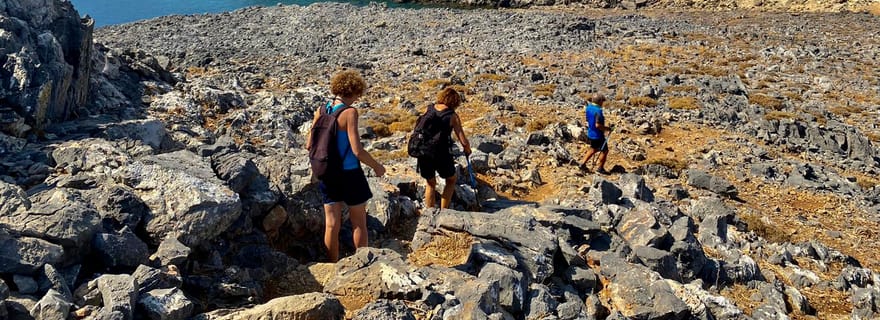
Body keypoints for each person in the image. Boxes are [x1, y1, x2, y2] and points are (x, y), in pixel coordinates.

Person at [305, 70, 386, 262]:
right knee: (359, 222)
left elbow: (309, 144)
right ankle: (363, 264)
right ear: (355, 91)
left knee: (331, 224)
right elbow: (357, 150)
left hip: (327, 172)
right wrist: (376, 166)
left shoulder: (322, 109)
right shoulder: (349, 113)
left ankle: (332, 264)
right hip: (350, 173)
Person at [417, 88, 472, 209]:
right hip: (441, 153)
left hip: (423, 151)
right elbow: (463, 141)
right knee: (451, 180)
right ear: (455, 102)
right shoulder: (452, 116)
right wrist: (467, 150)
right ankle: (444, 211)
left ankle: (430, 213)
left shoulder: (429, 108)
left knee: (430, 183)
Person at [578, 93, 613, 174]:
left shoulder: (588, 108)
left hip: (590, 132)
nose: (603, 103)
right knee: (605, 151)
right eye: (602, 101)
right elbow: (598, 125)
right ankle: (600, 168)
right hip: (598, 135)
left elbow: (587, 119)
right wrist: (608, 129)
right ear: (599, 101)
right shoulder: (598, 111)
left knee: (593, 148)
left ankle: (582, 164)